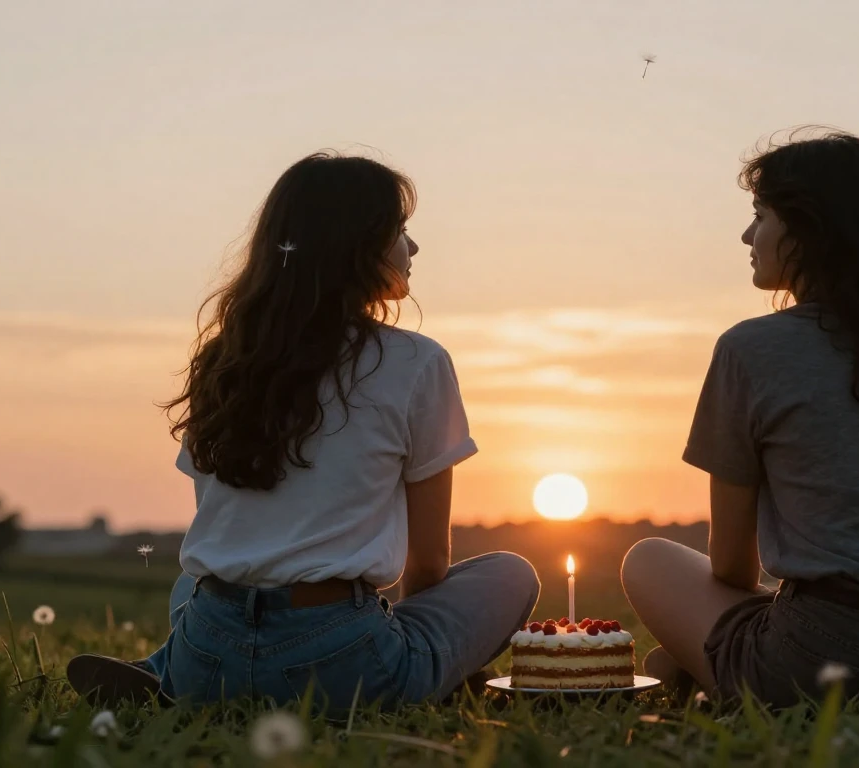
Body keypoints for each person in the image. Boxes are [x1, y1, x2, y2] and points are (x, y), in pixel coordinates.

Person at [67, 152, 539, 716]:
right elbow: (429, 564)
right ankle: (396, 672)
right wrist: (433, 647)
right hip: (341, 664)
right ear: (355, 246)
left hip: (208, 646)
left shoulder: (227, 360)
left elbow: (223, 527)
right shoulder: (417, 363)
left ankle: (168, 673)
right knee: (511, 573)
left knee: (198, 582)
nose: (413, 249)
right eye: (400, 231)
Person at [621, 130, 859, 709]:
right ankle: (707, 663)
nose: (748, 236)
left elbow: (730, 565)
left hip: (823, 664)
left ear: (809, 228)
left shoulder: (751, 349)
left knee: (649, 559)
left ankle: (712, 668)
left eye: (760, 216)